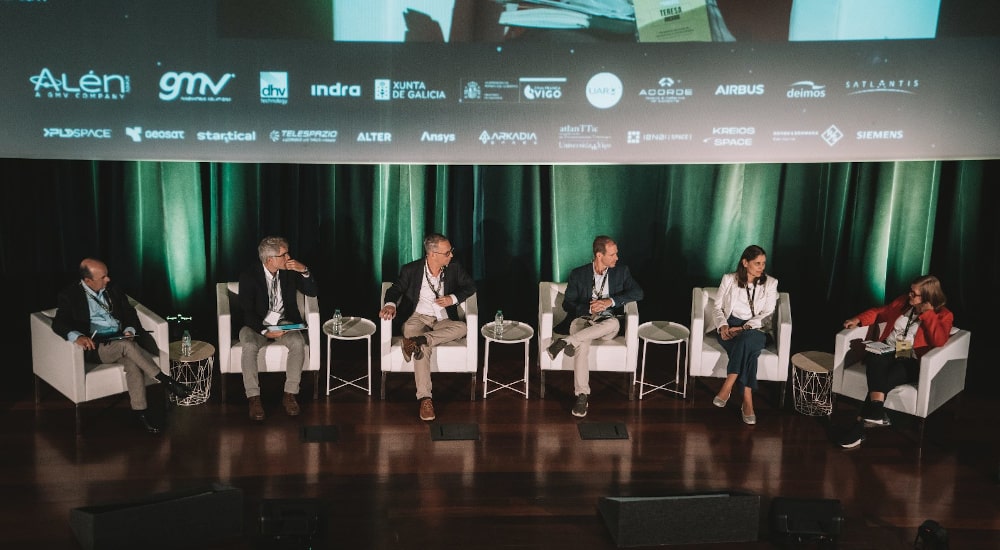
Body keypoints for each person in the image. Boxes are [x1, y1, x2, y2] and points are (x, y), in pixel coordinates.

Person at [51, 258, 190, 434]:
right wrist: (77, 337)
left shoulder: (113, 288)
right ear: (88, 281)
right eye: (103, 277)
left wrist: (130, 329)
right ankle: (167, 381)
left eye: (107, 275)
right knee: (126, 346)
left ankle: (141, 414)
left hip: (119, 339)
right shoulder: (70, 295)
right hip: (97, 346)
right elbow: (59, 323)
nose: (108, 279)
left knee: (133, 365)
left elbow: (129, 312)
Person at [837, 275, 953, 449]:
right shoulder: (903, 303)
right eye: (910, 291)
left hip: (911, 360)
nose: (909, 296)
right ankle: (876, 411)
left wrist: (927, 314)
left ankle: (859, 427)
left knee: (884, 379)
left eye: (914, 294)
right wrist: (858, 320)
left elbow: (939, 341)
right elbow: (879, 312)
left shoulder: (943, 315)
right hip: (888, 350)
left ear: (928, 297)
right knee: (874, 356)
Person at [378, 233, 476, 421]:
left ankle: (418, 341)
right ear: (432, 254)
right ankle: (425, 399)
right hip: (417, 318)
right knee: (421, 349)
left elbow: (470, 286)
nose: (451, 256)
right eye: (447, 253)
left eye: (451, 251)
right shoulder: (411, 270)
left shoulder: (454, 268)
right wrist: (390, 304)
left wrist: (452, 299)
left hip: (442, 319)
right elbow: (394, 289)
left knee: (462, 328)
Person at [547, 236, 643, 418]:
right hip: (583, 320)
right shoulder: (578, 274)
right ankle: (582, 396)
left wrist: (610, 301)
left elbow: (638, 292)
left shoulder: (621, 272)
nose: (617, 258)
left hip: (607, 324)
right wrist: (589, 307)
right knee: (582, 345)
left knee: (614, 322)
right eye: (613, 254)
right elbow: (568, 304)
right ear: (600, 255)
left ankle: (566, 341)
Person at [238, 236, 317, 421]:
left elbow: (312, 292)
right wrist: (265, 331)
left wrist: (304, 270)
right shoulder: (248, 276)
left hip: (283, 321)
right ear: (269, 260)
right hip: (256, 324)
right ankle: (254, 398)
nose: (289, 257)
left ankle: (290, 394)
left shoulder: (289, 271)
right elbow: (247, 312)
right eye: (284, 254)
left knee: (297, 342)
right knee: (249, 345)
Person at [711, 245, 779, 425]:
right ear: (745, 262)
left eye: (763, 264)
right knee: (750, 352)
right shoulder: (729, 279)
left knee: (748, 340)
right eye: (757, 263)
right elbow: (717, 307)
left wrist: (743, 329)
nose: (761, 268)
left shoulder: (771, 283)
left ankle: (728, 385)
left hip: (756, 329)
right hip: (730, 325)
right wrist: (724, 326)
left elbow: (767, 314)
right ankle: (747, 399)